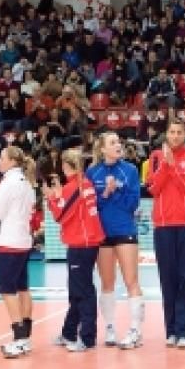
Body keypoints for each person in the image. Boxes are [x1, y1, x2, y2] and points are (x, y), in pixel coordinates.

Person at [145, 121, 185, 348]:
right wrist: (165, 166)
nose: (175, 136)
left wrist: (173, 168)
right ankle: (171, 330)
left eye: (180, 132)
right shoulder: (155, 157)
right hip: (163, 225)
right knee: (167, 278)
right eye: (172, 132)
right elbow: (153, 188)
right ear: (166, 134)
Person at [86, 132, 144, 349]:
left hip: (124, 229)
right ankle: (110, 327)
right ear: (103, 149)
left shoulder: (130, 170)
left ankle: (135, 330)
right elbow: (92, 205)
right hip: (102, 233)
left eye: (119, 141)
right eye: (113, 143)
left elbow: (133, 203)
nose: (118, 145)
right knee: (107, 283)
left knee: (131, 280)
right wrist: (105, 193)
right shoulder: (92, 172)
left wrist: (116, 190)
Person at [45, 150, 106, 351]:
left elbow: (60, 215)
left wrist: (51, 198)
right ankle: (68, 333)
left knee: (84, 291)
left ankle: (87, 338)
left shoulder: (74, 187)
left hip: (82, 243)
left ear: (66, 165)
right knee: (77, 290)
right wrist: (58, 194)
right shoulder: (85, 183)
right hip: (86, 242)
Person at [0, 146, 37, 358]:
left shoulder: (8, 182)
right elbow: (16, 203)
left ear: (12, 161)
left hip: (9, 242)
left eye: (2, 157)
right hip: (23, 241)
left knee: (7, 291)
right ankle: (25, 338)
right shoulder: (26, 182)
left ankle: (19, 338)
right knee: (23, 288)